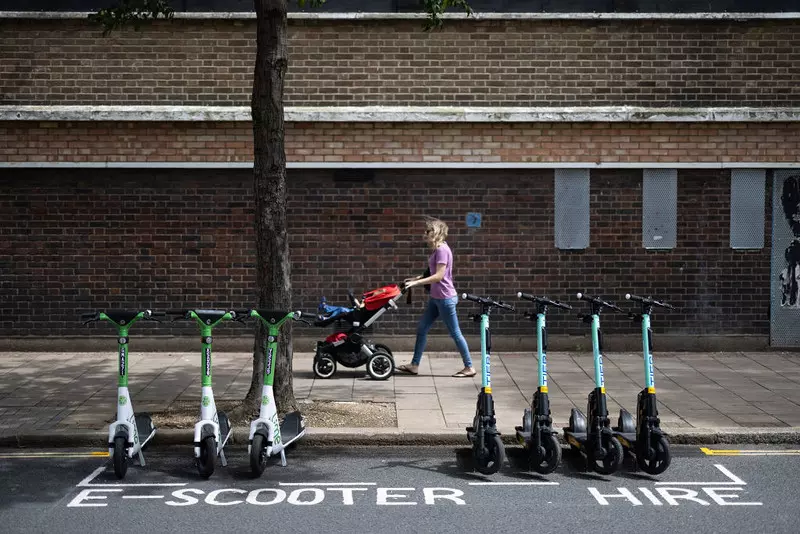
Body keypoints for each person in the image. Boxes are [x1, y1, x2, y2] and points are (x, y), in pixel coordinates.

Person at [397, 217, 475, 377]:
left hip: (445, 299)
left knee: (455, 333)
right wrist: (415, 279)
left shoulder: (442, 250)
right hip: (436, 298)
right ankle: (414, 365)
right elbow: (432, 273)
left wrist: (416, 285)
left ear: (436, 232)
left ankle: (469, 367)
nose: (424, 234)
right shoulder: (438, 249)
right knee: (422, 328)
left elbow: (439, 276)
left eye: (428, 231)